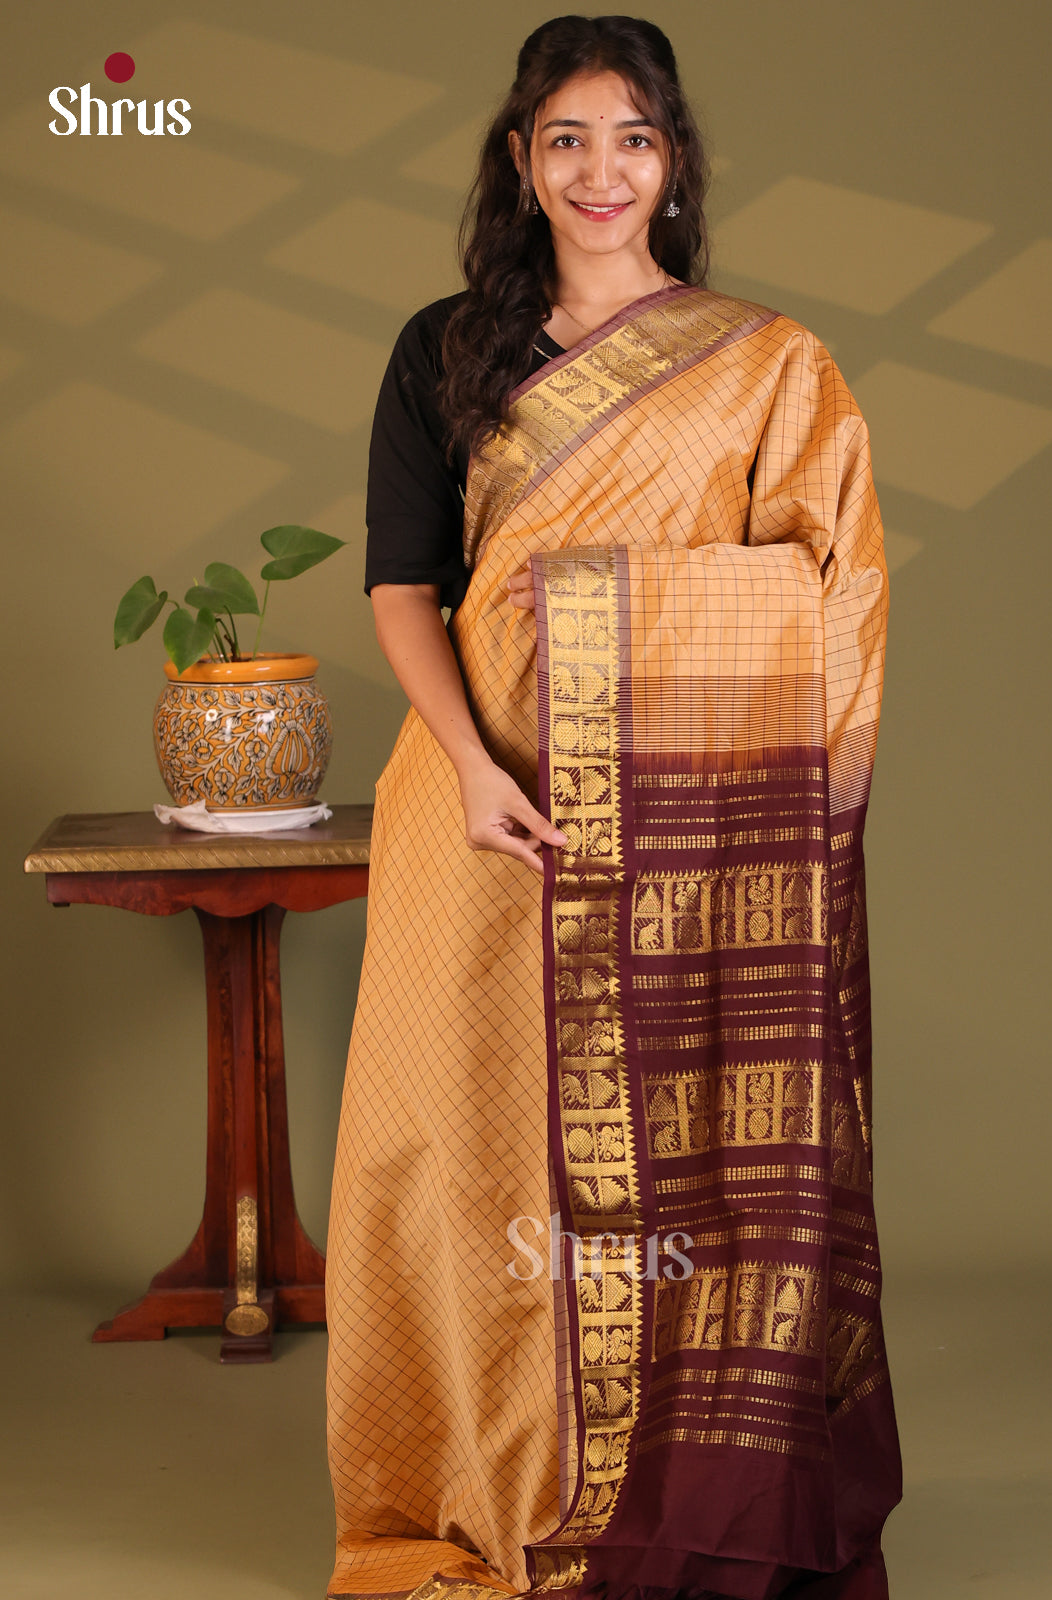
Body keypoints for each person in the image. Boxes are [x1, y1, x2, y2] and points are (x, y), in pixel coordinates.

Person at [325, 15, 901, 1600]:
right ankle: (488, 1483)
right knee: (458, 1147)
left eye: (632, 138)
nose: (600, 170)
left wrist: (614, 616)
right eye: (567, 138)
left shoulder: (769, 365)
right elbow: (403, 588)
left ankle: (690, 1493)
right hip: (480, 809)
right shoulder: (447, 349)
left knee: (689, 1152)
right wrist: (471, 764)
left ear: (675, 161)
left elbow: (831, 598)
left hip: (696, 829)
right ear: (520, 161)